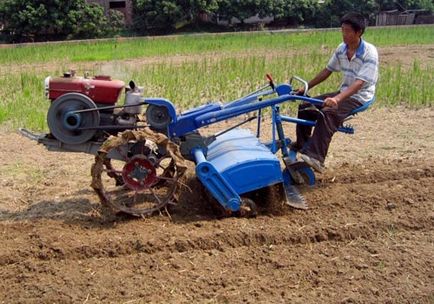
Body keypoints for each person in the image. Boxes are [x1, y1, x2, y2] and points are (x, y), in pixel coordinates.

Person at [293, 12, 379, 173]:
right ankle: (303, 144)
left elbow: (359, 84)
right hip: (345, 91)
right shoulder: (342, 49)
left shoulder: (370, 52)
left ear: (358, 32)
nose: (344, 34)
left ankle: (316, 158)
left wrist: (337, 99)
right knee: (305, 107)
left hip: (360, 96)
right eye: (342, 30)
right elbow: (328, 70)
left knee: (328, 112)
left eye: (347, 31)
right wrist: (306, 87)